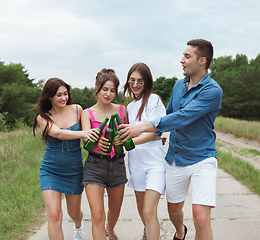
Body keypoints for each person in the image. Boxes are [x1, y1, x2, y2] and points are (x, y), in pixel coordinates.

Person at [118, 39, 223, 240]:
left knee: (201, 219)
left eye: (186, 56)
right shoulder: (178, 85)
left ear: (202, 60)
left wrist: (140, 128)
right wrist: (157, 135)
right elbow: (168, 118)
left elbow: (181, 117)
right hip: (175, 158)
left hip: (203, 158)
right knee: (174, 212)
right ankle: (180, 231)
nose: (181, 60)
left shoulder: (212, 91)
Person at [33, 78, 99, 240]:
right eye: (58, 95)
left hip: (74, 169)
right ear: (49, 97)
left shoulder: (77, 110)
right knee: (54, 215)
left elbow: (88, 138)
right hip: (50, 169)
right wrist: (83, 133)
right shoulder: (43, 116)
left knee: (74, 213)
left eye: (65, 94)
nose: (63, 98)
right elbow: (57, 133)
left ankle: (78, 225)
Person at [81, 68, 128, 240]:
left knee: (115, 210)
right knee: (97, 215)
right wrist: (95, 143)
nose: (108, 94)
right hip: (94, 166)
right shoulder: (87, 113)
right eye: (105, 89)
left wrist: (121, 141)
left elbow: (129, 134)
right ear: (97, 89)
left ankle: (109, 229)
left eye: (112, 90)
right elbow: (86, 141)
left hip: (117, 165)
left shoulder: (122, 111)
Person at [121, 62, 166, 240]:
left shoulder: (154, 100)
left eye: (140, 81)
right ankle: (149, 233)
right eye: (132, 80)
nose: (136, 84)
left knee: (149, 210)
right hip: (136, 163)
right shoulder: (129, 107)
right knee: (141, 209)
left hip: (155, 163)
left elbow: (157, 132)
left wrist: (130, 140)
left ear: (147, 82)